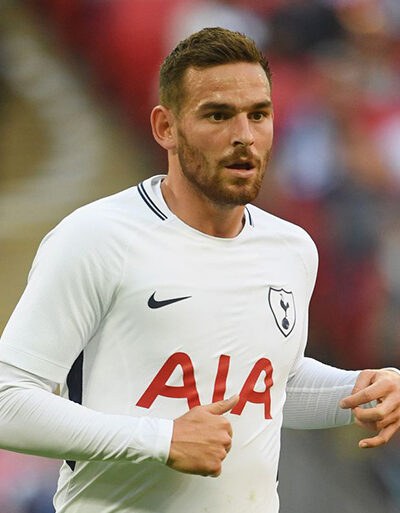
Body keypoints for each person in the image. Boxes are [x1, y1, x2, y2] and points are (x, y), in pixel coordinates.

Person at [0, 27, 399, 513]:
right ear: (165, 127)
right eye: (218, 115)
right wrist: (162, 440)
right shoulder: (97, 238)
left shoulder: (292, 249)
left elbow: (271, 383)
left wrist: (358, 390)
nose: (244, 136)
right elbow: (7, 402)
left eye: (259, 115)